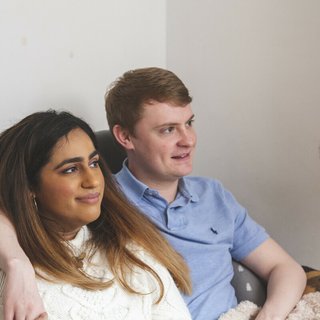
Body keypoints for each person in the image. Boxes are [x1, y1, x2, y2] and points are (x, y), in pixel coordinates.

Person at [0, 67, 307, 320]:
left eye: (189, 123)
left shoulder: (213, 195)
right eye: (168, 130)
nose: (188, 140)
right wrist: (16, 262)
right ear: (124, 136)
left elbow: (286, 268)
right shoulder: (105, 203)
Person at [0, 110, 192, 320]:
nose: (93, 181)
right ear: (29, 185)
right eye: (70, 169)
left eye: (94, 163)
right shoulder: (12, 278)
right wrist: (16, 264)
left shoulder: (132, 250)